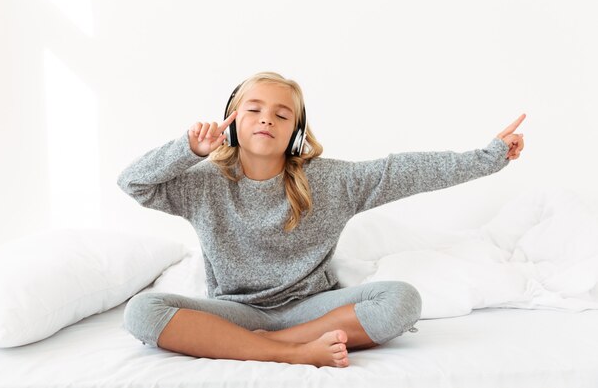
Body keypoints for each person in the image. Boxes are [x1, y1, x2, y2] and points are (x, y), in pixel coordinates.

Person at [117, 71, 526, 368]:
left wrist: (488, 158)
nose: (266, 119)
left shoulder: (330, 181)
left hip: (312, 310)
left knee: (401, 300)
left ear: (295, 131)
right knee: (141, 311)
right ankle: (287, 352)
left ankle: (266, 344)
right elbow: (133, 183)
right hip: (235, 311)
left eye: (281, 115)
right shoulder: (203, 183)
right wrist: (187, 148)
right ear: (233, 122)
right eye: (254, 109)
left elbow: (405, 170)